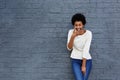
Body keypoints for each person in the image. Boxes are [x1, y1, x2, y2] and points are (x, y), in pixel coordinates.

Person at [66, 13, 93, 80]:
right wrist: (73, 36)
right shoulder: (70, 32)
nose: (78, 27)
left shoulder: (88, 33)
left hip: (87, 60)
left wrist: (83, 66)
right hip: (75, 60)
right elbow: (69, 48)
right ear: (73, 25)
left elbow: (86, 49)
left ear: (83, 24)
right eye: (76, 25)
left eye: (80, 25)